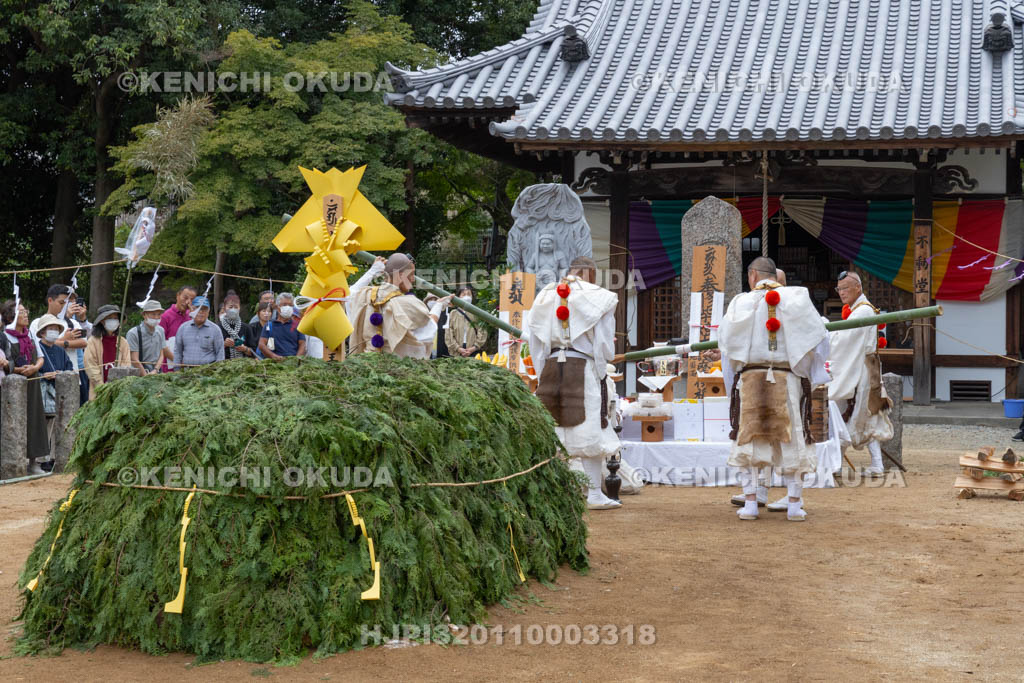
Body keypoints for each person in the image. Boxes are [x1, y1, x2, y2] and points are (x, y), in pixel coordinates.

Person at [718, 257, 829, 521]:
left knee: (749, 440)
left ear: (753, 276)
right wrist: (807, 373)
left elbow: (726, 346)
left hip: (750, 378)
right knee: (792, 439)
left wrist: (732, 381)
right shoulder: (797, 298)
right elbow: (820, 339)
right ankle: (794, 504)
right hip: (787, 378)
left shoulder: (740, 302)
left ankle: (751, 504)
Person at [524, 256, 622, 510]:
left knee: (551, 430)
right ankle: (594, 494)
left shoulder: (545, 296)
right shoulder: (598, 297)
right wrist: (601, 371)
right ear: (592, 273)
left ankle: (549, 495)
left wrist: (543, 371)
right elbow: (603, 345)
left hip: (551, 367)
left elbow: (535, 341)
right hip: (583, 367)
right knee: (590, 430)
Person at [829, 271, 894, 475]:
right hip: (861, 367)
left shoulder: (863, 311)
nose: (842, 292)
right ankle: (844, 464)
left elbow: (845, 340)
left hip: (861, 370)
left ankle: (848, 465)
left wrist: (826, 335)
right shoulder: (858, 310)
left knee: (859, 413)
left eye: (845, 288)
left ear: (858, 287)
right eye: (839, 289)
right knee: (852, 413)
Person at [348, 254, 450, 358]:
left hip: (365, 364)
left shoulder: (365, 295)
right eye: (411, 274)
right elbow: (429, 330)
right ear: (401, 276)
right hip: (393, 366)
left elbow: (348, 294)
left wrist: (373, 270)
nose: (413, 280)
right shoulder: (408, 304)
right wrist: (439, 305)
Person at [2, 300, 50, 474]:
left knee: (34, 418)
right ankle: (12, 462)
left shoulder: (30, 334)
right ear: (11, 316)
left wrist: (35, 367)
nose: (26, 314)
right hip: (12, 384)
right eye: (21, 312)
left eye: (26, 311)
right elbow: (3, 362)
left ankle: (34, 462)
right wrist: (17, 369)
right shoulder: (4, 336)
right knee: (12, 422)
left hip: (32, 381)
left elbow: (41, 357)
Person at [32, 284, 90, 405]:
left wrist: (62, 342)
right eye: (61, 302)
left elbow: (84, 342)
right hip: (45, 382)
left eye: (66, 303)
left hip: (71, 377)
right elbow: (39, 346)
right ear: (50, 300)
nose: (64, 306)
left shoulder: (72, 322)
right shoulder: (37, 323)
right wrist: (65, 339)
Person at [36, 313, 74, 466]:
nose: (54, 331)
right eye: (50, 328)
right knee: (43, 426)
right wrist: (44, 375)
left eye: (56, 328)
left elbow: (69, 367)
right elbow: (32, 369)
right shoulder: (36, 348)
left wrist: (61, 373)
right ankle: (41, 459)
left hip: (59, 393)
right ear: (42, 332)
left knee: (57, 426)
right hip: (42, 393)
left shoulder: (60, 350)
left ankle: (53, 458)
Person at [84, 305, 132, 399]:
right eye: (110, 318)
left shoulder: (123, 342)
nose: (113, 321)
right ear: (102, 321)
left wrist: (118, 386)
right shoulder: (93, 341)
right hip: (98, 391)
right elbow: (91, 366)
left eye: (115, 318)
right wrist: (102, 387)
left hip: (119, 391)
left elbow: (126, 364)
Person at [174, 295, 225, 368]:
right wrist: (177, 370)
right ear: (192, 310)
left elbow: (220, 354)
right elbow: (177, 352)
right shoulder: (183, 328)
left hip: (208, 371)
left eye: (204, 309)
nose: (201, 312)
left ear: (208, 311)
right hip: (186, 372)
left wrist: (217, 371)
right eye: (197, 308)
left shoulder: (215, 329)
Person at [159, 285, 196, 372]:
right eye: (185, 298)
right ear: (178, 295)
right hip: (169, 365)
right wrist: (178, 361)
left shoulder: (191, 316)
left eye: (191, 300)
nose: (188, 302)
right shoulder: (165, 316)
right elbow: (160, 343)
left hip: (188, 364)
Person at [258, 292, 306, 360]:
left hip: (293, 362)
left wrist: (296, 359)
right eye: (284, 304)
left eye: (290, 305)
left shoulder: (297, 325)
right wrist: (273, 356)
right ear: (277, 307)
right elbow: (261, 344)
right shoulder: (269, 325)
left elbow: (302, 344)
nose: (288, 307)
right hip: (274, 363)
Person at [445, 287, 488, 358]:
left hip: (473, 351)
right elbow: (448, 333)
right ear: (458, 297)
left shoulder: (477, 313)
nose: (467, 297)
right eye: (464, 294)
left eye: (469, 294)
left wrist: (474, 347)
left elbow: (482, 331)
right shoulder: (453, 313)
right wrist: (458, 348)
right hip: (456, 351)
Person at [127, 300, 167, 374]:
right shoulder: (133, 333)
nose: (156, 317)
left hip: (156, 372)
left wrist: (155, 370)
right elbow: (134, 359)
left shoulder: (161, 330)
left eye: (159, 314)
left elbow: (161, 355)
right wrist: (145, 375)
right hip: (138, 374)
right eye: (153, 314)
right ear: (144, 315)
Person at [217, 291, 257, 360]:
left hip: (243, 363)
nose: (233, 310)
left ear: (239, 308)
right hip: (222, 363)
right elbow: (211, 350)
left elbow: (254, 352)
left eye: (236, 307)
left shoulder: (246, 328)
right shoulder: (218, 328)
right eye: (230, 307)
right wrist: (224, 344)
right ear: (225, 309)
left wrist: (244, 349)